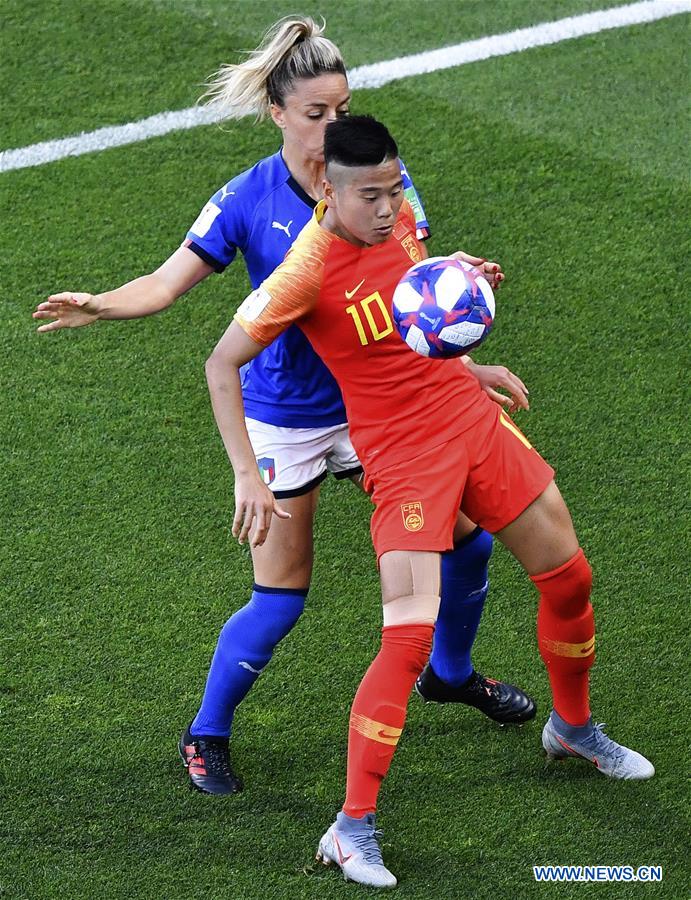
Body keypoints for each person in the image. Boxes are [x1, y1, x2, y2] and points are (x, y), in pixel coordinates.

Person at [32, 17, 534, 799]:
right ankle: (206, 733)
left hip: (380, 409)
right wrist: (100, 305)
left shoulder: (380, 186)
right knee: (280, 596)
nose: (333, 127)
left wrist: (463, 364)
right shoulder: (246, 200)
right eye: (315, 114)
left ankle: (451, 672)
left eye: (342, 109)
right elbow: (166, 286)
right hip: (288, 420)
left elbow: (412, 302)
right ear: (277, 112)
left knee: (468, 544)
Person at [206, 114, 655, 888]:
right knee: (406, 639)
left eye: (392, 187)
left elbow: (408, 301)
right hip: (403, 457)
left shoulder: (401, 209)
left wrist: (459, 312)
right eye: (369, 195)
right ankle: (351, 828)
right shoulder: (303, 270)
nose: (387, 207)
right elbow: (220, 364)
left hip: (467, 420)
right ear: (327, 189)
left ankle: (571, 728)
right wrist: (248, 473)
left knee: (570, 576)